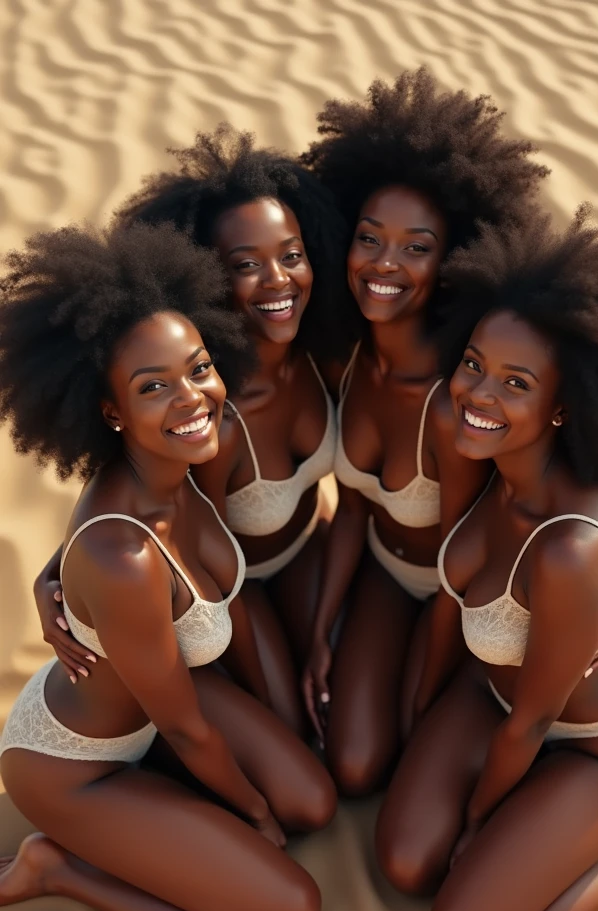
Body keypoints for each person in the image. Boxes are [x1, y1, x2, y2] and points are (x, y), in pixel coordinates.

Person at [0, 222, 336, 911]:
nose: (192, 397)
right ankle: (56, 869)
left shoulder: (177, 463)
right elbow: (185, 725)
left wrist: (51, 569)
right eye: (154, 387)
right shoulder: (124, 557)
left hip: (155, 696)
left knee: (315, 801)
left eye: (199, 367)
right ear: (111, 412)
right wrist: (252, 814)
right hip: (78, 767)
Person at [375, 206, 598, 911]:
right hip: (492, 696)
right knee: (403, 866)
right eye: (475, 363)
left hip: (592, 743)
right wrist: (420, 720)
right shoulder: (470, 443)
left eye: (517, 383)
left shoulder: (569, 550)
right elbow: (454, 601)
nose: (480, 395)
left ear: (563, 406)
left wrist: (482, 823)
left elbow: (533, 722)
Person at [300, 67, 598, 795]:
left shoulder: (462, 397)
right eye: (368, 238)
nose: (385, 264)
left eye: (416, 247)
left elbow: (566, 463)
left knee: (406, 751)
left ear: (453, 261)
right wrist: (324, 627)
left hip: (468, 600)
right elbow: (350, 507)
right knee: (352, 767)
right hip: (382, 572)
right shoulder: (337, 358)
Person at [33, 125, 356, 736]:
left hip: (309, 554)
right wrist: (54, 571)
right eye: (245, 265)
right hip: (233, 592)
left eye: (291, 255)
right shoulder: (204, 410)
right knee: (300, 730)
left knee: (340, 725)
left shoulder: (327, 358)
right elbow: (143, 492)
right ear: (205, 277)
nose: (279, 281)